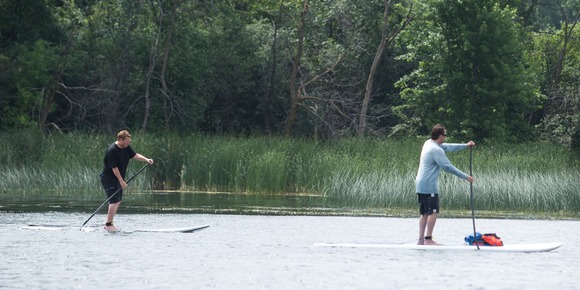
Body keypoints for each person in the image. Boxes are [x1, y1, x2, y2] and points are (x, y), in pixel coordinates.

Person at [415, 124, 475, 245]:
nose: (446, 137)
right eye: (445, 135)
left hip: (420, 184)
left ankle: (421, 240)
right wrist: (466, 177)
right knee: (433, 211)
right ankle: (428, 239)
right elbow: (448, 167)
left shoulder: (428, 143)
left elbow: (448, 147)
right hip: (429, 185)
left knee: (425, 213)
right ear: (441, 136)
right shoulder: (435, 150)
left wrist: (465, 146)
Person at [100, 130, 154, 231]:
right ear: (120, 140)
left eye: (129, 141)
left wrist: (146, 159)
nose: (128, 143)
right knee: (114, 201)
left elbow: (135, 155)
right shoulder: (112, 150)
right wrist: (121, 181)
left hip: (117, 178)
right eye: (126, 141)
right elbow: (114, 168)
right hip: (109, 179)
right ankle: (108, 225)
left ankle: (110, 223)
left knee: (118, 200)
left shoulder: (126, 147)